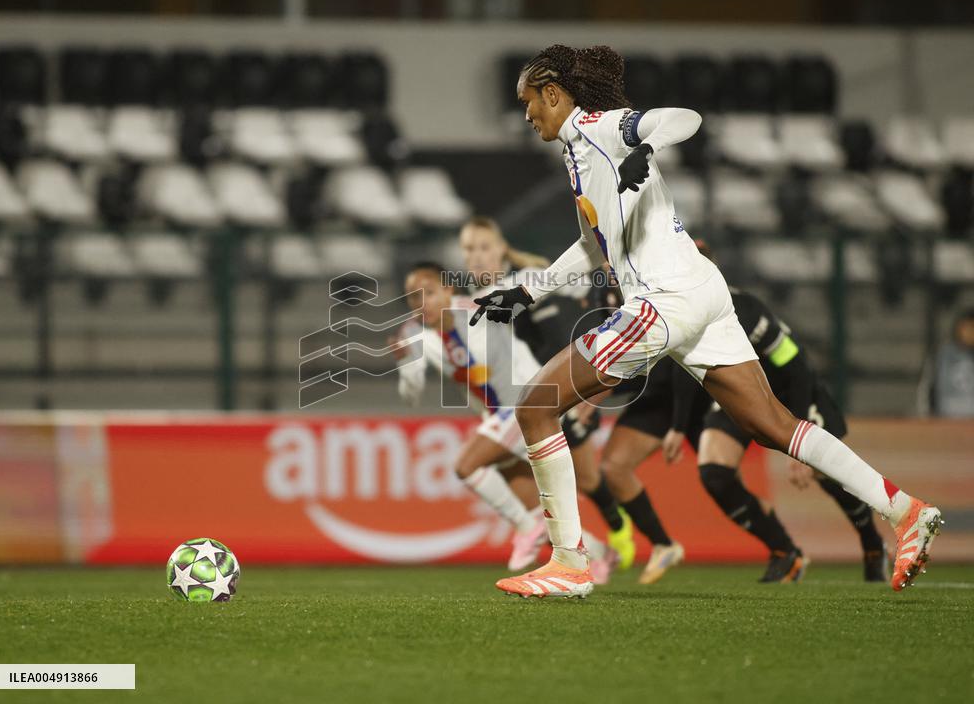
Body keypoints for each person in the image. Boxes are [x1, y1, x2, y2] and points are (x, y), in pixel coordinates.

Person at [469, 44, 941, 598]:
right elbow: (594, 245)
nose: (526, 115)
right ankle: (906, 511)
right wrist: (529, 289)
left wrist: (644, 148)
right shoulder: (576, 154)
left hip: (661, 302)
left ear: (553, 94)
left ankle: (570, 563)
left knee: (536, 406)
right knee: (773, 425)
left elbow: (683, 120)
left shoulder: (602, 124)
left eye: (529, 102)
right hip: (702, 292)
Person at [603, 242, 891, 583]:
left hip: (791, 393)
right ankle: (784, 552)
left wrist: (795, 441)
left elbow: (796, 367)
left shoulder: (746, 310)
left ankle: (872, 542)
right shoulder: (679, 310)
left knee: (826, 474)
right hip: (741, 396)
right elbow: (684, 370)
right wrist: (679, 426)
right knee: (714, 472)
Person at [394, 262, 617, 581]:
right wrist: (404, 362)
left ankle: (526, 530)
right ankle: (600, 552)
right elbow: (411, 392)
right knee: (538, 511)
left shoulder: (480, 306)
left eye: (428, 293)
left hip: (528, 404)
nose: (421, 303)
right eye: (413, 298)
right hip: (498, 417)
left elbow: (529, 278)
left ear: (448, 289)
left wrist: (588, 278)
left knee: (466, 466)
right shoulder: (415, 335)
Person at [459, 217, 636, 569]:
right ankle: (595, 554)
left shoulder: (522, 282)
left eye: (484, 247)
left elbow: (580, 284)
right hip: (516, 405)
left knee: (585, 479)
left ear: (501, 251)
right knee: (539, 497)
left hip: (554, 393)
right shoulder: (466, 302)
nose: (476, 256)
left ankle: (617, 527)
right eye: (469, 249)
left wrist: (608, 278)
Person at [918, 307, 974, 418]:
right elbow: (927, 389)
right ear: (958, 329)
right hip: (946, 420)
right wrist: (927, 416)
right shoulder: (942, 355)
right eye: (966, 328)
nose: (970, 332)